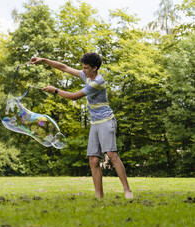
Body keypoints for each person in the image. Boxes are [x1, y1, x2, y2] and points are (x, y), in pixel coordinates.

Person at [30, 52, 133, 199]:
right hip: (95, 123)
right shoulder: (87, 75)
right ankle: (99, 196)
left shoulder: (98, 82)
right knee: (93, 159)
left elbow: (74, 96)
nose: (83, 70)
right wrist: (44, 60)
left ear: (94, 68)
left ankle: (127, 190)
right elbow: (64, 67)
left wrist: (56, 91)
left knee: (112, 155)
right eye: (83, 68)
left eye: (85, 68)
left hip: (106, 121)